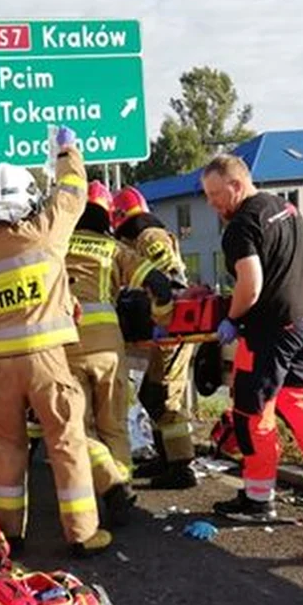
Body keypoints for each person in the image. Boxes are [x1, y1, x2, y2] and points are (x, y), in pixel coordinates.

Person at [0, 126, 111, 558]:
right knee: (66, 444)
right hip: (46, 362)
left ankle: (8, 533)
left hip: (1, 368)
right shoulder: (43, 232)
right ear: (27, 198)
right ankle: (83, 534)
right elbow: (73, 193)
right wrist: (67, 151)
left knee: (7, 449)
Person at [200, 154, 303, 520]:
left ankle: (257, 499)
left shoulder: (241, 225)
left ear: (236, 185)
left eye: (215, 194)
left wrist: (232, 318)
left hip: (271, 329)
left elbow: (251, 285)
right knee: (294, 401)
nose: (212, 203)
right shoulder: (285, 208)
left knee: (252, 412)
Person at [111, 186, 196, 490]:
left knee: (165, 397)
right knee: (151, 394)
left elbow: (168, 280)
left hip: (172, 328)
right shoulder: (143, 238)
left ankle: (181, 467)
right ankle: (167, 458)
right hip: (164, 328)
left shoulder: (149, 237)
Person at [63, 180, 136, 525]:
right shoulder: (113, 248)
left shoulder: (56, 244)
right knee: (114, 424)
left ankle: (108, 485)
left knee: (79, 426)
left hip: (66, 345)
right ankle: (122, 487)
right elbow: (151, 278)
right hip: (108, 346)